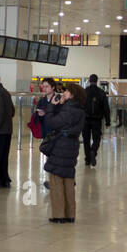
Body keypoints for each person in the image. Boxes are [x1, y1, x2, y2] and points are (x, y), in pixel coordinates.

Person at [45, 84, 85, 223]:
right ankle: (70, 214)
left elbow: (52, 122)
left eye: (67, 91)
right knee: (68, 180)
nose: (64, 93)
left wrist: (51, 106)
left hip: (61, 145)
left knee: (56, 180)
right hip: (72, 146)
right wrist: (60, 104)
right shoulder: (79, 109)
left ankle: (58, 215)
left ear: (72, 94)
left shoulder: (69, 109)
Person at [81, 75, 110, 167]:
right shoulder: (101, 93)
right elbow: (106, 108)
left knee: (86, 139)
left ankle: (87, 159)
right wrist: (107, 121)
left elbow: (80, 106)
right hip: (97, 120)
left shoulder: (84, 92)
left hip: (85, 120)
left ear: (89, 81)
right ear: (97, 81)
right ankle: (93, 150)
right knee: (97, 138)